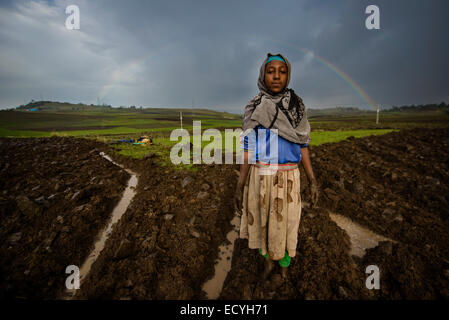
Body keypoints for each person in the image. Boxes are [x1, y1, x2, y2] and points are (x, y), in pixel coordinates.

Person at [234, 53, 319, 280]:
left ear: (288, 75)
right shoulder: (255, 108)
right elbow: (248, 148)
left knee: (289, 223)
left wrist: (312, 180)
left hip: (289, 177)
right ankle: (268, 263)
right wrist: (240, 183)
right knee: (264, 221)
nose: (276, 76)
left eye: (282, 71)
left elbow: (303, 145)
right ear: (263, 74)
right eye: (271, 71)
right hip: (261, 176)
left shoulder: (296, 107)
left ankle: (283, 263)